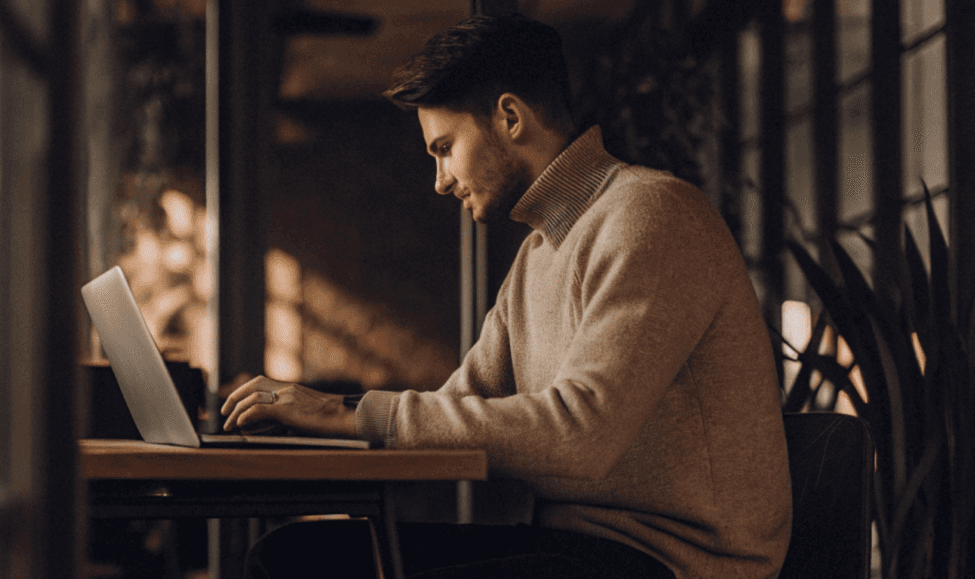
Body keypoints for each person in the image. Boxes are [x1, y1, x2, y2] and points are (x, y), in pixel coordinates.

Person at [221, 13, 791, 579]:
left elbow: (581, 436)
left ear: (510, 117)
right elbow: (456, 412)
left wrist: (346, 413)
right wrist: (316, 420)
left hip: (673, 561)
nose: (441, 179)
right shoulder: (536, 256)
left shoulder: (651, 215)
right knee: (291, 557)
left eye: (444, 147)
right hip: (575, 547)